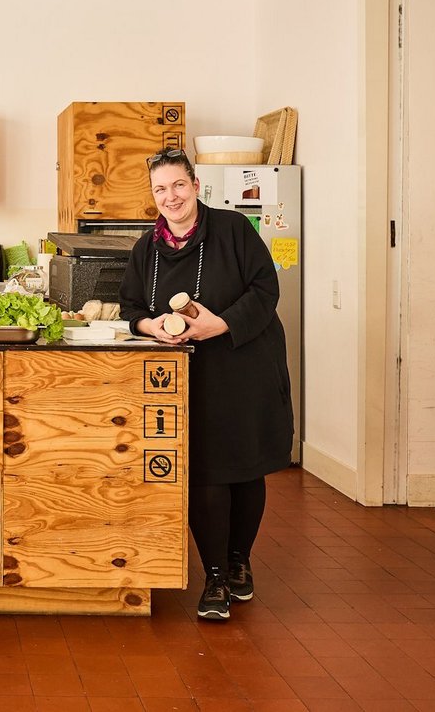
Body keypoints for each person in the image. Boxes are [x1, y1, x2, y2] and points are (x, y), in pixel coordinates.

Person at [118, 147, 293, 621]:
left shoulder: (234, 230)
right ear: (153, 196)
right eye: (160, 189)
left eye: (178, 185)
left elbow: (265, 290)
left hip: (244, 363)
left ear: (196, 187)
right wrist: (149, 327)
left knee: (246, 468)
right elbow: (130, 307)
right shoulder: (146, 249)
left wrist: (222, 324)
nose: (170, 196)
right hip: (188, 375)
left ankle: (240, 562)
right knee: (205, 472)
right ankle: (214, 574)